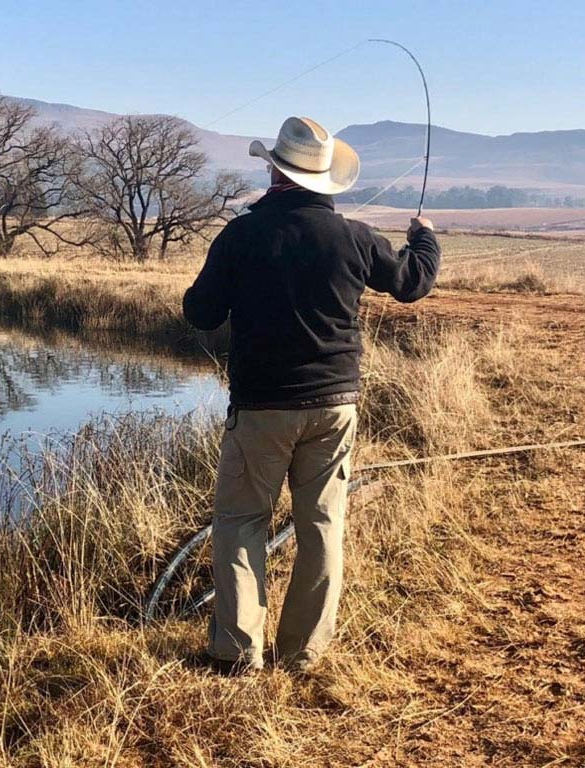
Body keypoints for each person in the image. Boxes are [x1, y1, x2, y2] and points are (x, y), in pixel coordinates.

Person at [183, 116, 440, 673]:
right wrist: (424, 237)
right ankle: (302, 654)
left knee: (241, 522)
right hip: (334, 405)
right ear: (324, 178)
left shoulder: (241, 235)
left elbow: (200, 313)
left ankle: (237, 652)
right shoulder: (355, 237)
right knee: (322, 525)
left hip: (260, 408)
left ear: (274, 170)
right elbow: (413, 283)